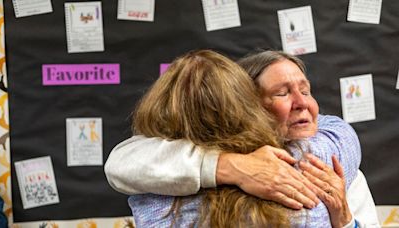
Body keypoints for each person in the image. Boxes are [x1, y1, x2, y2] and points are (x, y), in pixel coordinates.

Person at [105, 50, 379, 227]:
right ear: (247, 107)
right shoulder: (169, 167)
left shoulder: (334, 168)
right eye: (282, 93)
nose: (302, 103)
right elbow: (122, 162)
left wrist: (345, 221)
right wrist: (230, 166)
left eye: (306, 91)